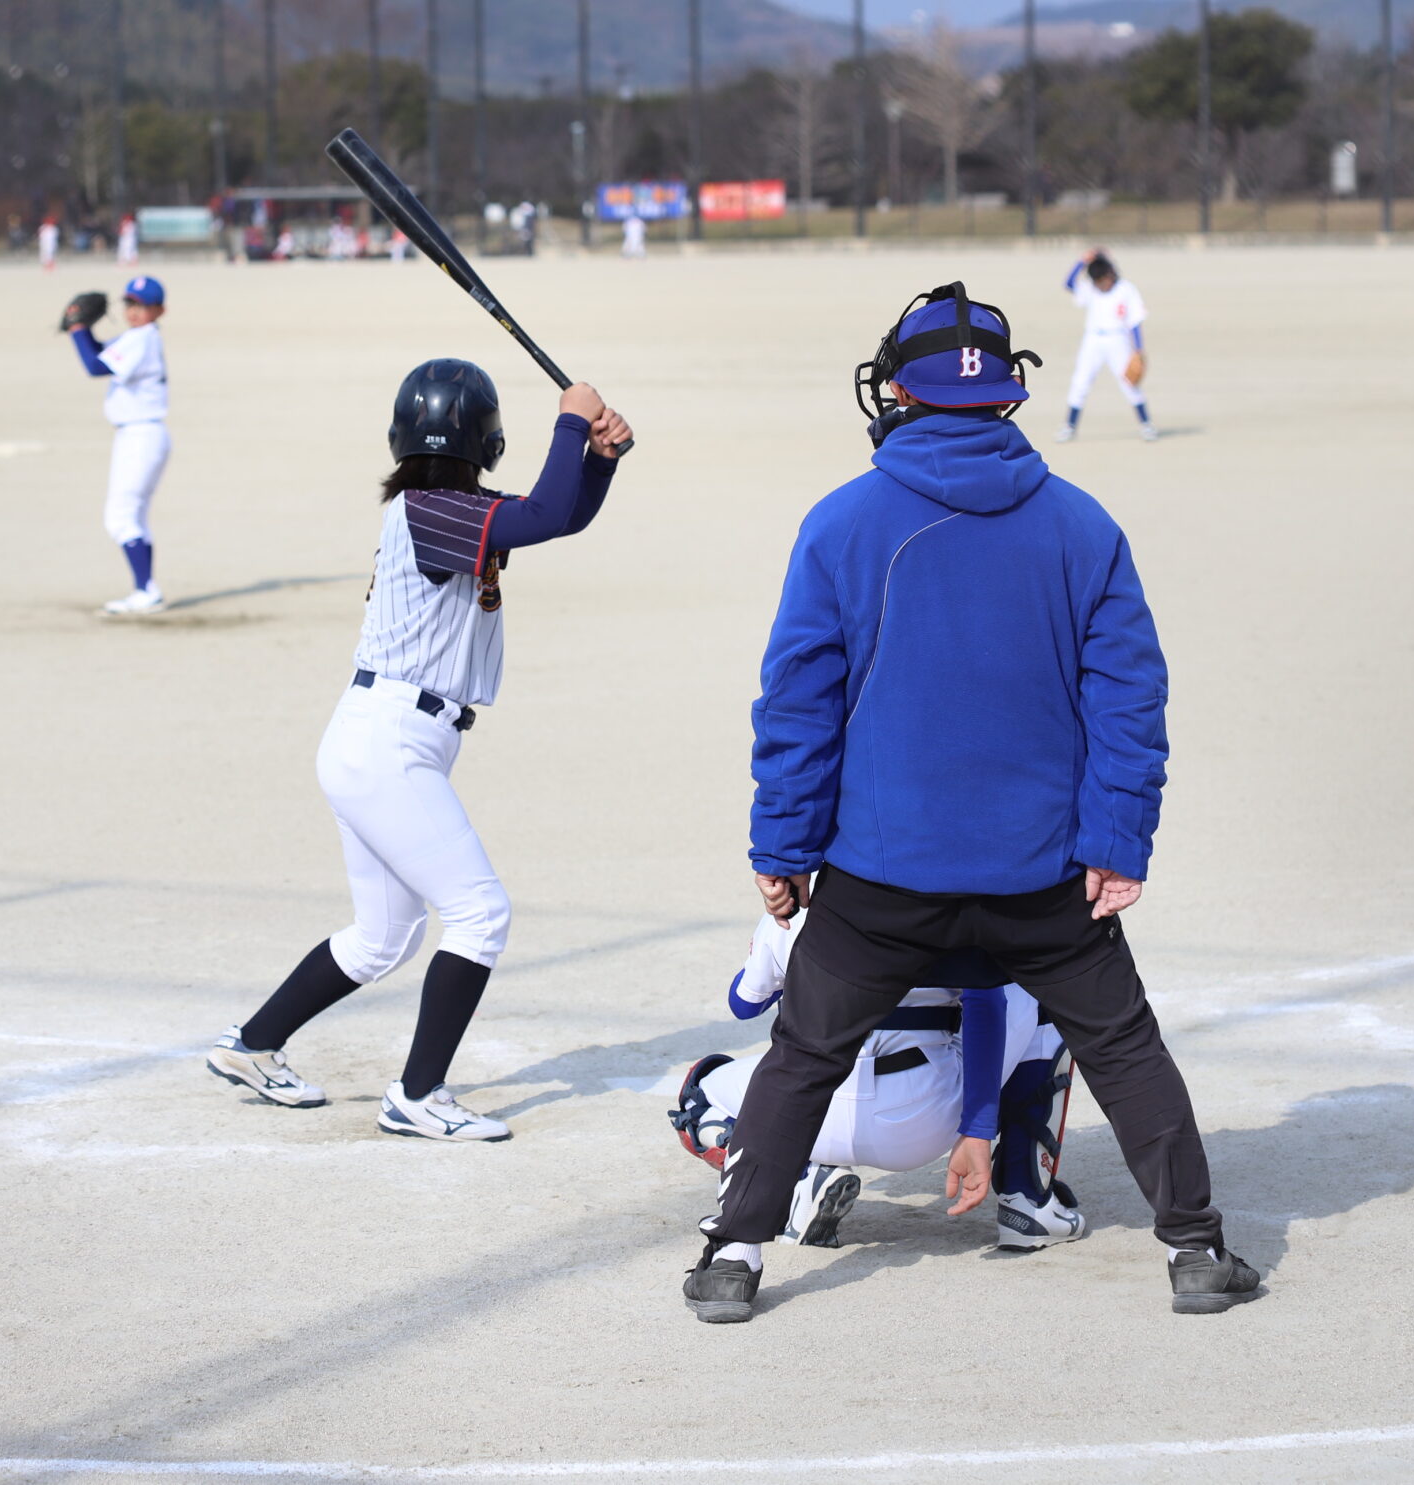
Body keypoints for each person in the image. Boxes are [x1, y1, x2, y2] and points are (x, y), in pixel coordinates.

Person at [682, 282, 1256, 1324]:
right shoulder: (1082, 526)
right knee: (1124, 1045)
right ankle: (1198, 1249)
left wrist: (784, 846)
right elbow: (1132, 697)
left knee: (804, 1054)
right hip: (1042, 874)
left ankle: (733, 1255)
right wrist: (1119, 840)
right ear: (1008, 396)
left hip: (879, 875)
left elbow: (797, 705)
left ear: (897, 391)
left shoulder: (843, 523)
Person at [205, 364, 631, 1142]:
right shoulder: (433, 511)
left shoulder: (440, 507)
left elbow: (556, 516)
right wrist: (571, 422)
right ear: (488, 438)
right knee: (479, 913)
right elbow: (539, 512)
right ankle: (417, 1095)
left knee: (382, 936)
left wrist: (598, 459)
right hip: (390, 743)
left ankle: (252, 1043)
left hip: (379, 738)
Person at [669, 911, 1086, 1251]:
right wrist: (976, 1127)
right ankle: (1027, 1199)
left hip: (807, 1117)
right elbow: (986, 1004)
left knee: (701, 1089)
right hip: (923, 1123)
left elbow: (744, 1003)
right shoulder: (958, 893)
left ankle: (794, 1180)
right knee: (1038, 986)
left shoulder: (796, 900)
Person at [63, 277, 174, 616]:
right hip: (142, 435)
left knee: (120, 517)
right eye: (129, 304)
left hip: (141, 436)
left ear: (159, 310)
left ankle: (146, 591)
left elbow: (95, 366)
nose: (134, 311)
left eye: (141, 305)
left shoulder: (142, 340)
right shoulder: (138, 338)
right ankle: (145, 589)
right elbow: (102, 355)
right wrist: (84, 334)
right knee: (133, 516)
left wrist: (78, 328)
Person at [1059, 249, 1153, 443]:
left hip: (1118, 340)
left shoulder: (1126, 289)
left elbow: (1135, 321)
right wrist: (1082, 261)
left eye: (1103, 280)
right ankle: (1069, 427)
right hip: (1092, 340)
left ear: (1110, 274)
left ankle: (1146, 425)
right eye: (1097, 282)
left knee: (1129, 383)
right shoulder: (1090, 287)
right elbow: (1068, 284)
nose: (1101, 285)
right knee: (1080, 382)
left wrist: (1138, 348)